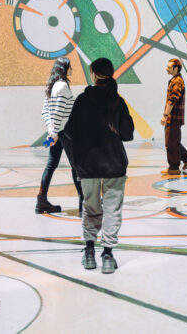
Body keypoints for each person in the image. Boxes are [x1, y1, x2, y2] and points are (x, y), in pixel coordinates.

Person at [62, 58, 134, 274]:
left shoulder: (82, 100)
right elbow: (127, 134)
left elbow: (69, 132)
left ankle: (89, 252)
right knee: (112, 210)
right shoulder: (117, 100)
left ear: (93, 74)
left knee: (91, 208)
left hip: (89, 165)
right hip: (114, 164)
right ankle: (108, 255)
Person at [37, 57, 83, 215]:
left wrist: (51, 130)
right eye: (70, 67)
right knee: (76, 166)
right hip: (66, 132)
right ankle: (84, 203)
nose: (72, 69)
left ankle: (41, 200)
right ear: (64, 69)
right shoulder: (62, 86)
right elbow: (58, 112)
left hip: (57, 132)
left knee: (51, 165)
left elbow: (45, 111)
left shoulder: (51, 86)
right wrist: (55, 132)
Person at [161, 58, 187, 175]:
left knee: (171, 143)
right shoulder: (176, 80)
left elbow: (172, 100)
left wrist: (165, 115)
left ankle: (174, 168)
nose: (166, 69)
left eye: (169, 67)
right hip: (174, 118)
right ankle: (186, 158)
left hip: (173, 118)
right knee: (174, 141)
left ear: (176, 69)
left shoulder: (177, 82)